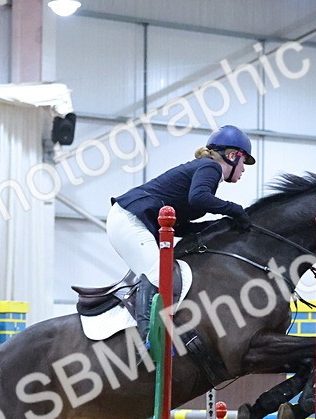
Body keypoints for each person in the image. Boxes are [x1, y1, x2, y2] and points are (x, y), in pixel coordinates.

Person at [105, 125, 255, 338]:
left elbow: (182, 226)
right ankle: (148, 338)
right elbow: (199, 198)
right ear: (232, 156)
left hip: (130, 218)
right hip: (130, 219)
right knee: (160, 275)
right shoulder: (210, 168)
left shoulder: (205, 172)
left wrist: (217, 227)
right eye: (243, 162)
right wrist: (235, 210)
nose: (243, 169)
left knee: (163, 275)